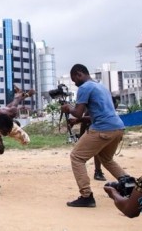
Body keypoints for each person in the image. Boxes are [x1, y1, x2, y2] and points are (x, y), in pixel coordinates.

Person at [60, 63, 129, 207]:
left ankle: (86, 196)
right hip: (118, 127)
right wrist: (78, 120)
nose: (75, 83)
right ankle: (129, 186)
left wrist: (68, 108)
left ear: (79, 74)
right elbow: (95, 114)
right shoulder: (101, 87)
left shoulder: (85, 87)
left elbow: (78, 111)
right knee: (107, 159)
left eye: (74, 80)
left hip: (102, 129)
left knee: (77, 157)